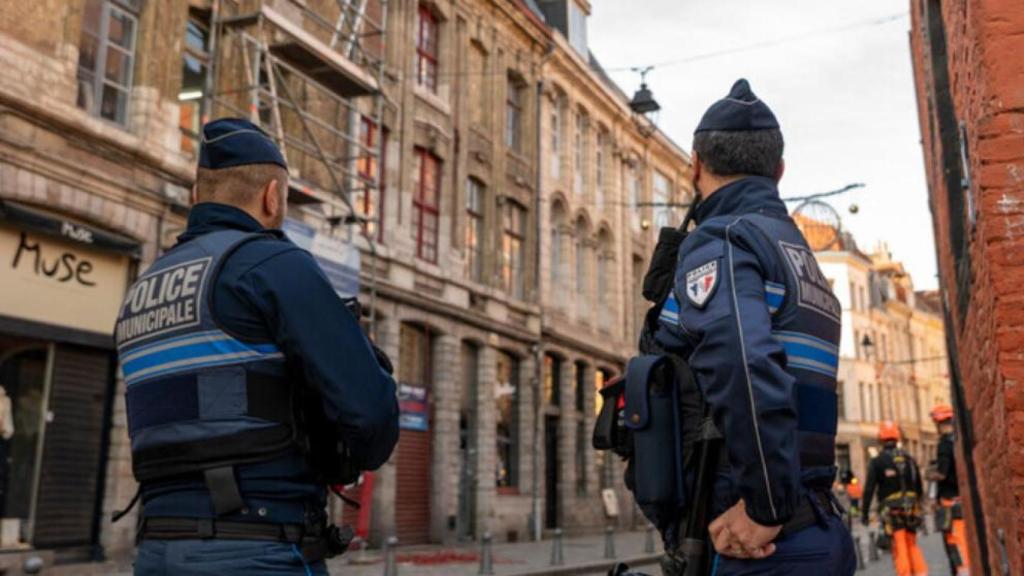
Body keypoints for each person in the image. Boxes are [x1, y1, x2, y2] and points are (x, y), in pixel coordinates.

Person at [115, 118, 400, 575]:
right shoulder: (273, 265)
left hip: (157, 552)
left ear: (195, 196)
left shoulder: (143, 288)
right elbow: (372, 415)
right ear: (272, 197)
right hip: (261, 548)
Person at [654, 79, 855, 575]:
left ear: (695, 164)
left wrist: (767, 502)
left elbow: (740, 359)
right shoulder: (798, 257)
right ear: (779, 171)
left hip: (754, 538)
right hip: (814, 525)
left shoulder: (721, 241)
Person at [862, 421, 927, 576]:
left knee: (899, 545)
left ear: (880, 439)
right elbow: (918, 486)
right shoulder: (909, 459)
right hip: (911, 507)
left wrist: (864, 512)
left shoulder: (877, 462)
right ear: (897, 438)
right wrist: (920, 505)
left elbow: (869, 488)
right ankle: (921, 572)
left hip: (892, 510)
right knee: (911, 542)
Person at [929, 404, 970, 575]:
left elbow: (942, 474)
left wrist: (931, 474)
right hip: (961, 498)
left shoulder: (944, 444)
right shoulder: (959, 439)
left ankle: (963, 571)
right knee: (965, 539)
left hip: (949, 501)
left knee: (955, 542)